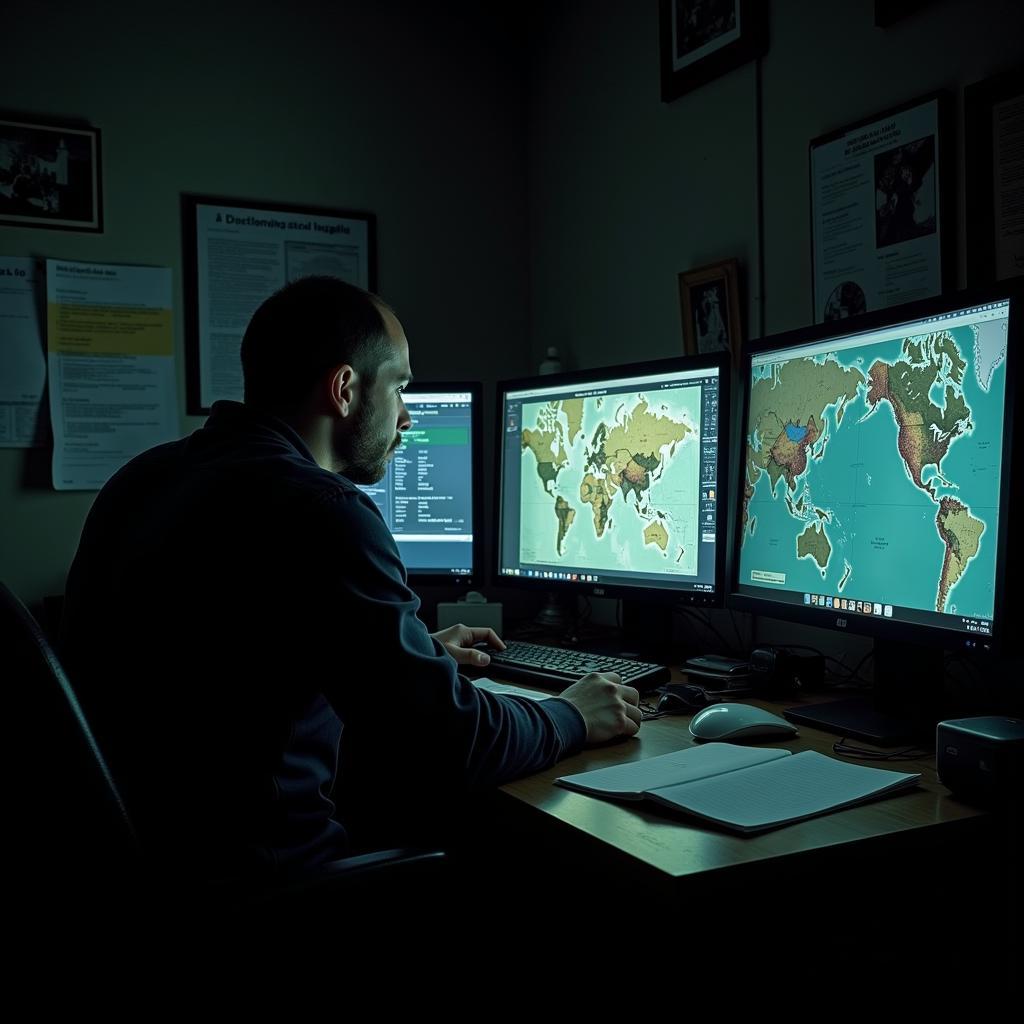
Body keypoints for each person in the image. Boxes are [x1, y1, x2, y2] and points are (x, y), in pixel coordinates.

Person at [60, 276, 641, 881]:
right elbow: (448, 744)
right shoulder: (324, 511)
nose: (407, 417)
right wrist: (571, 716)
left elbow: (221, 666)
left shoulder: (141, 478)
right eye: (400, 388)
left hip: (146, 866)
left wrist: (403, 658)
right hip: (264, 880)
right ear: (343, 389)